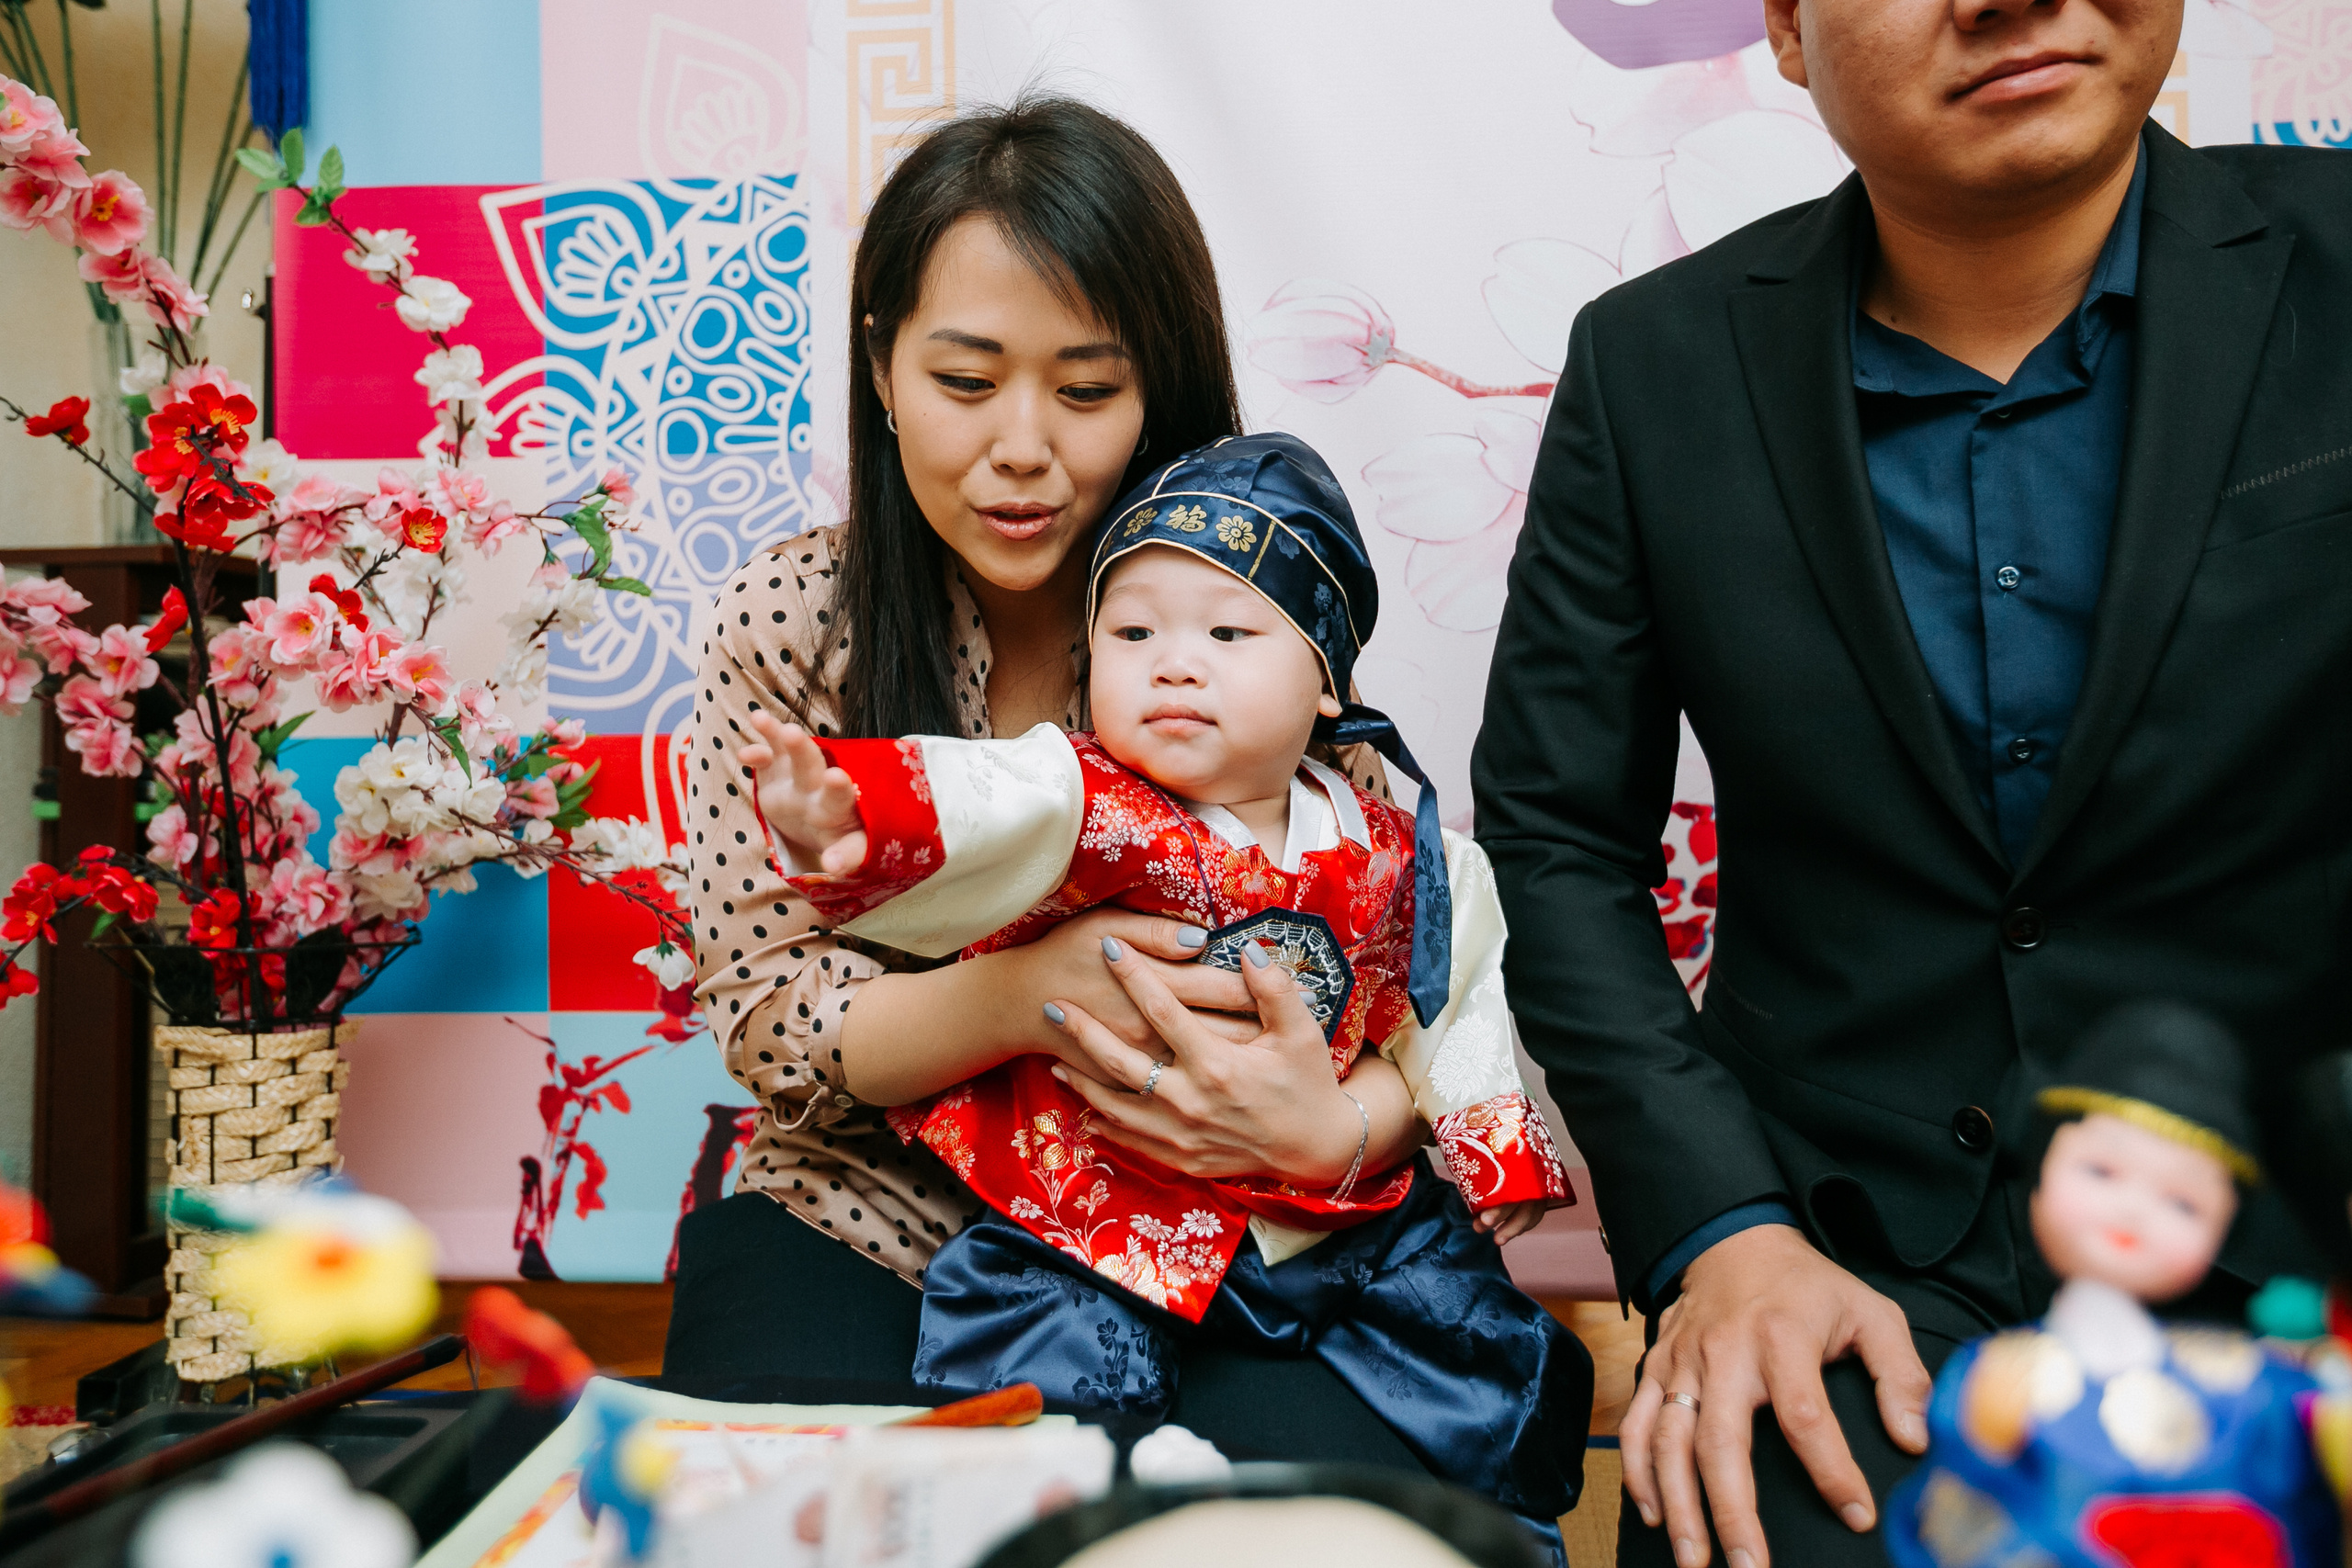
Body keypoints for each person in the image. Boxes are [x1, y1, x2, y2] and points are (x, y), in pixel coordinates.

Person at [1469, 0, 2352, 1556]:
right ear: (1793, 32)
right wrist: (1725, 1234)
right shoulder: (1655, 365)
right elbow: (1555, 841)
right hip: (1850, 1262)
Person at [667, 96, 1438, 1472]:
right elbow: (773, 1021)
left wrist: (1335, 1129)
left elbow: (1417, 992)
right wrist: (1024, 991)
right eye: (966, 381)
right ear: (883, 369)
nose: (1023, 446)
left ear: (1163, 391)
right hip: (872, 1215)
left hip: (1218, 1231)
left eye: (1087, 391)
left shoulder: (1254, 614)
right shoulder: (789, 623)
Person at [738, 434, 1587, 1532]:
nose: (1174, 664)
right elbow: (976, 795)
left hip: (1326, 1224)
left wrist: (1492, 1152)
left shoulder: (1405, 854)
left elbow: (1451, 1010)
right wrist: (849, 815)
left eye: (1228, 633)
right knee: (1042, 1418)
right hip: (1097, 1216)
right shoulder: (1085, 800)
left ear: (1327, 682)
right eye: (1133, 634)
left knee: (1485, 1367)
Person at [1883, 1003, 2335, 1567]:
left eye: (2183, 1202)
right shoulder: (1997, 1380)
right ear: (2040, 1174)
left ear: (2226, 1230)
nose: (2133, 1211)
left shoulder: (2247, 1385)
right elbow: (1960, 1521)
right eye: (2101, 1172)